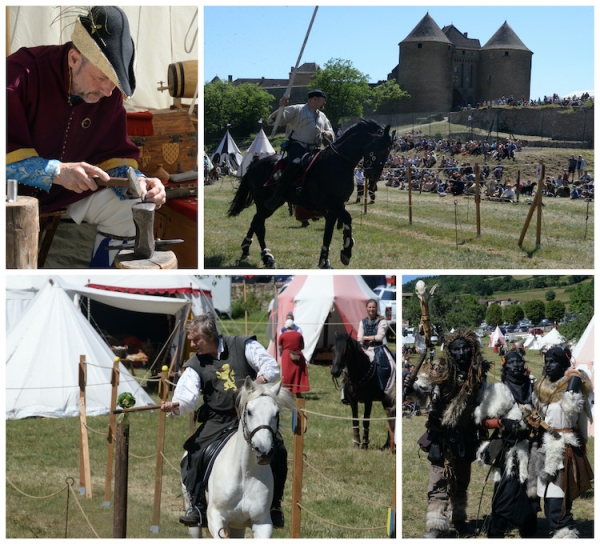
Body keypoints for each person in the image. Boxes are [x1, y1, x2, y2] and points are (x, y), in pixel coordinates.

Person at [6, 7, 166, 267]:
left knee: (131, 209)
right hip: (9, 192)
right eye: (102, 77)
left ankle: (100, 287)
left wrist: (140, 182)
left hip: (67, 193)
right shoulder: (17, 76)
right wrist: (55, 171)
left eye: (114, 82)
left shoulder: (109, 95)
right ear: (73, 59)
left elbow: (114, 157)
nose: (107, 90)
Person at [160, 314, 288, 529]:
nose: (192, 345)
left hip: (252, 416)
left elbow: (271, 368)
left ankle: (274, 506)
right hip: (218, 419)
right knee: (194, 453)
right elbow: (188, 397)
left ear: (210, 336)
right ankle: (198, 505)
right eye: (191, 340)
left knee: (279, 450)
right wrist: (177, 405)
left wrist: (254, 387)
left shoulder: (243, 346)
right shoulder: (195, 364)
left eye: (196, 340)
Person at [403, 328, 490, 538]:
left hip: (465, 435)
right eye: (456, 349)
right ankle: (436, 527)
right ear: (450, 352)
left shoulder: (478, 375)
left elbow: (483, 403)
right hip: (441, 437)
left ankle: (458, 520)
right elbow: (422, 391)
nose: (461, 353)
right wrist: (410, 389)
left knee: (461, 482)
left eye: (465, 348)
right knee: (438, 481)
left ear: (472, 349)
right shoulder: (439, 370)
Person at [474, 350, 539, 537]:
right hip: (508, 450)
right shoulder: (498, 390)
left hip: (532, 447)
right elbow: (483, 420)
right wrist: (503, 422)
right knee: (506, 489)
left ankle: (528, 530)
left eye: (519, 362)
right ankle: (497, 530)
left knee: (530, 490)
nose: (516, 365)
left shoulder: (535, 388)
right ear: (504, 365)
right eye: (511, 362)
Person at [531, 347, 593, 538]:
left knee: (559, 502)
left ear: (565, 364)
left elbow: (580, 421)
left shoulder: (573, 389)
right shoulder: (542, 387)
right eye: (547, 361)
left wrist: (574, 380)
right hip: (544, 447)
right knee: (549, 501)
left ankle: (566, 535)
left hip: (564, 448)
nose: (548, 365)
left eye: (554, 361)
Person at [264, 89, 334, 209]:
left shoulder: (322, 116)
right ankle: (276, 196)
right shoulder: (297, 109)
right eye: (323, 100)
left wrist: (326, 133)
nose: (324, 103)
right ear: (314, 99)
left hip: (315, 149)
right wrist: (282, 107)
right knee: (295, 163)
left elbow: (331, 132)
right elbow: (278, 121)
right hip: (298, 146)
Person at [357, 299, 396, 393]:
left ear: (376, 308)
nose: (371, 309)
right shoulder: (362, 322)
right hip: (365, 348)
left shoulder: (382, 321)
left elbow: (379, 337)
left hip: (378, 348)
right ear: (366, 308)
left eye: (373, 307)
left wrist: (365, 338)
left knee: (390, 366)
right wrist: (361, 343)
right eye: (369, 307)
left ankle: (384, 389)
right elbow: (359, 337)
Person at [278, 319, 310, 397]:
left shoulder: (282, 335)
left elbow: (280, 348)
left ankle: (286, 393)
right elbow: (302, 346)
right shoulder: (299, 335)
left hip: (287, 356)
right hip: (298, 355)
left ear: (286, 326)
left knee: (287, 375)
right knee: (297, 375)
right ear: (293, 326)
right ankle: (298, 393)